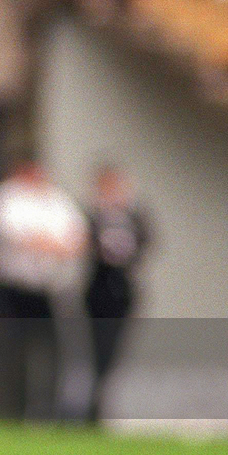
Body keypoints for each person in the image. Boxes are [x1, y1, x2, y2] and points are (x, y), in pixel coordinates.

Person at [0, 156, 88, 419]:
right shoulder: (5, 198)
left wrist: (65, 246)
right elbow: (20, 236)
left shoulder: (57, 199)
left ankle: (50, 411)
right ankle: (14, 411)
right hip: (13, 289)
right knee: (15, 350)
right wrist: (54, 245)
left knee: (52, 349)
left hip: (48, 289)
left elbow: (78, 236)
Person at [84, 165, 149, 422]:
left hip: (122, 291)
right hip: (99, 291)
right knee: (99, 349)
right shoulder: (92, 215)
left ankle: (102, 406)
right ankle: (92, 409)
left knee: (114, 351)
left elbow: (145, 243)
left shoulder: (133, 216)